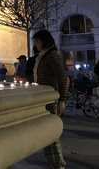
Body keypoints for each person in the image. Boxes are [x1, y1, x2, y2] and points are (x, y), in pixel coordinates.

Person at [32, 30, 67, 169]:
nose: (35, 44)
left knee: (51, 133)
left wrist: (62, 99)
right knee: (47, 133)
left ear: (44, 41)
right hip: (45, 96)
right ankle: (53, 163)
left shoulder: (51, 55)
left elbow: (62, 77)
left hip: (51, 98)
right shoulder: (43, 56)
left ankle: (58, 164)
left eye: (37, 41)